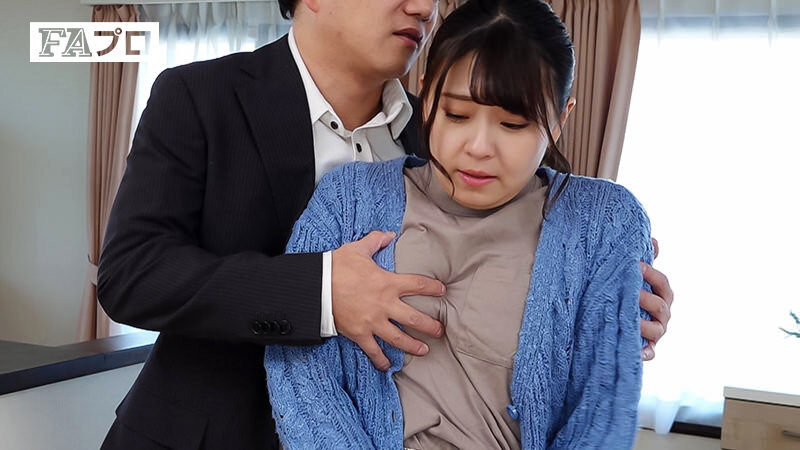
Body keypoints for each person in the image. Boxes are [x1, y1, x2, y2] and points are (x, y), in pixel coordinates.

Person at [98, 0, 672, 448]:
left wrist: (616, 312)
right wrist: (323, 292)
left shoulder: (449, 130)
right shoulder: (199, 95)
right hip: (200, 436)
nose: (423, 8)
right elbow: (132, 274)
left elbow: (541, 268)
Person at [266, 1, 653, 449]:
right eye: (456, 115)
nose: (479, 147)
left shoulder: (604, 221)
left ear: (561, 118)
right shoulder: (347, 198)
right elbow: (302, 372)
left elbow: (603, 411)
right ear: (426, 96)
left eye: (513, 123)